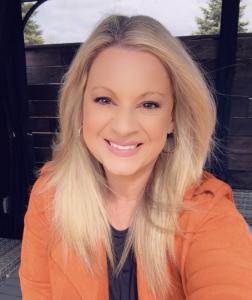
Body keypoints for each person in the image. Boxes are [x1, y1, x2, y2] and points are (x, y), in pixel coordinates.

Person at [19, 14, 252, 300]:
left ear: (172, 119)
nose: (124, 126)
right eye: (104, 100)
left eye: (149, 104)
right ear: (81, 107)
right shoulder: (49, 197)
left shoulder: (208, 214)